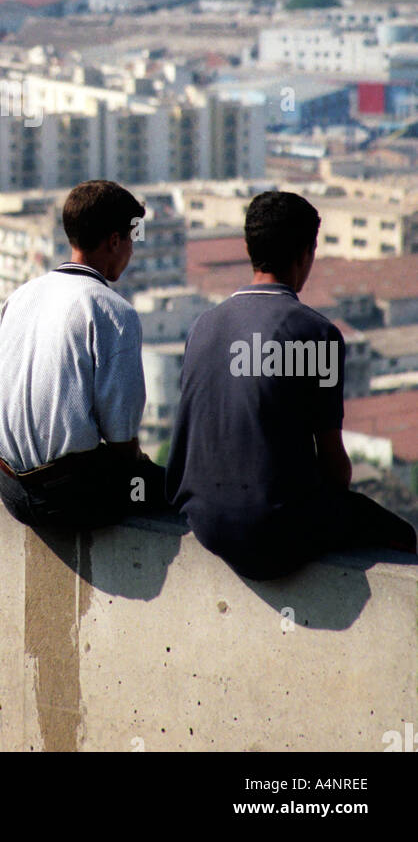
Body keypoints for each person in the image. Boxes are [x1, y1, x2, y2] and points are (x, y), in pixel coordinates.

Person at [166, 189, 417, 580]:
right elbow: (335, 468)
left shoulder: (202, 326)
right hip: (275, 532)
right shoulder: (317, 334)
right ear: (306, 254)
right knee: (402, 535)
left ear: (251, 248)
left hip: (203, 520)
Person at [0, 179, 167, 530]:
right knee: (180, 491)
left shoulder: (21, 295)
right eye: (130, 240)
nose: (131, 251)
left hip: (9, 488)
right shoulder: (114, 311)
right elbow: (122, 439)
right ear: (114, 241)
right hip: (65, 498)